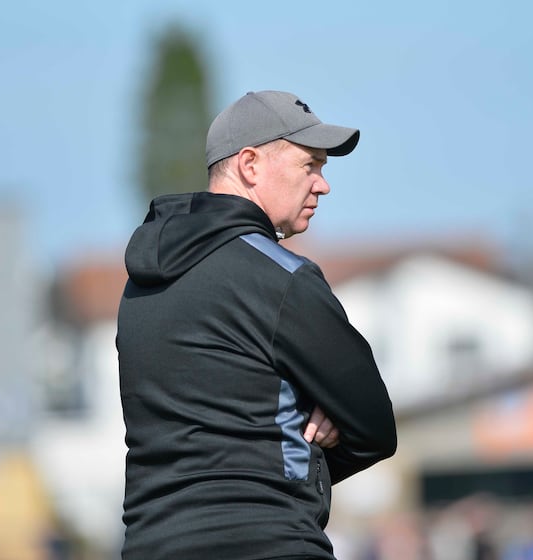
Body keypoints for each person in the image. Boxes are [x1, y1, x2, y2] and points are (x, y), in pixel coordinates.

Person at [117, 90, 397, 560]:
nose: (323, 184)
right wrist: (309, 435)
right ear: (249, 165)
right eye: (311, 165)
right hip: (269, 541)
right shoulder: (282, 279)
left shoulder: (138, 288)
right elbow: (374, 427)